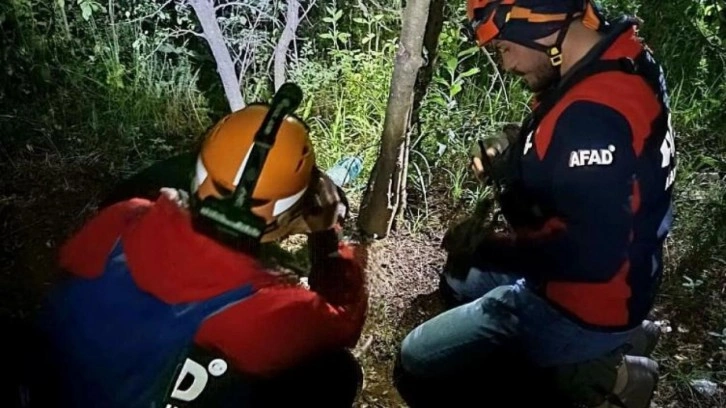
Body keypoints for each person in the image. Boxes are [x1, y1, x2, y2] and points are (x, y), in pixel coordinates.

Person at [394, 1, 676, 407]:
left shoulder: (590, 116)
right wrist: (514, 154)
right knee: (460, 282)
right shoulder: (621, 57)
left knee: (416, 362)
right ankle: (614, 343)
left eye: (505, 47)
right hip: (630, 269)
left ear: (537, 21)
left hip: (585, 301)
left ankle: (596, 376)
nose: (507, 64)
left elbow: (587, 258)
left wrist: (490, 248)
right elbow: (594, 173)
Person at [23, 83, 369, 408]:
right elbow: (345, 322)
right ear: (283, 218)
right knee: (335, 372)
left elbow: (68, 271)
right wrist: (326, 237)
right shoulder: (269, 310)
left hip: (47, 389)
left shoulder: (123, 218)